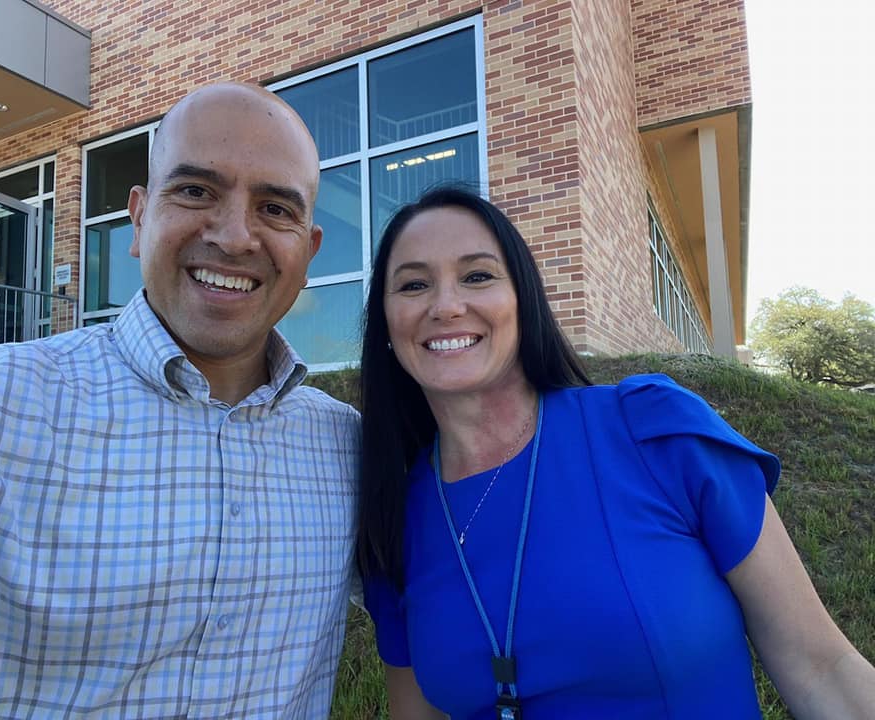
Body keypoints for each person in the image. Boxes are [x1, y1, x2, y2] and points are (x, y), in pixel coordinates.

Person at [0, 83, 359, 719]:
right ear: (139, 217)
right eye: (196, 191)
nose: (235, 237)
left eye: (275, 209)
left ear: (308, 252)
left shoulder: (347, 446)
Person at [358, 186, 875, 719]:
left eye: (478, 276)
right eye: (414, 284)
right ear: (388, 325)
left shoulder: (652, 430)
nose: (445, 306)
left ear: (523, 301)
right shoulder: (392, 513)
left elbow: (823, 669)